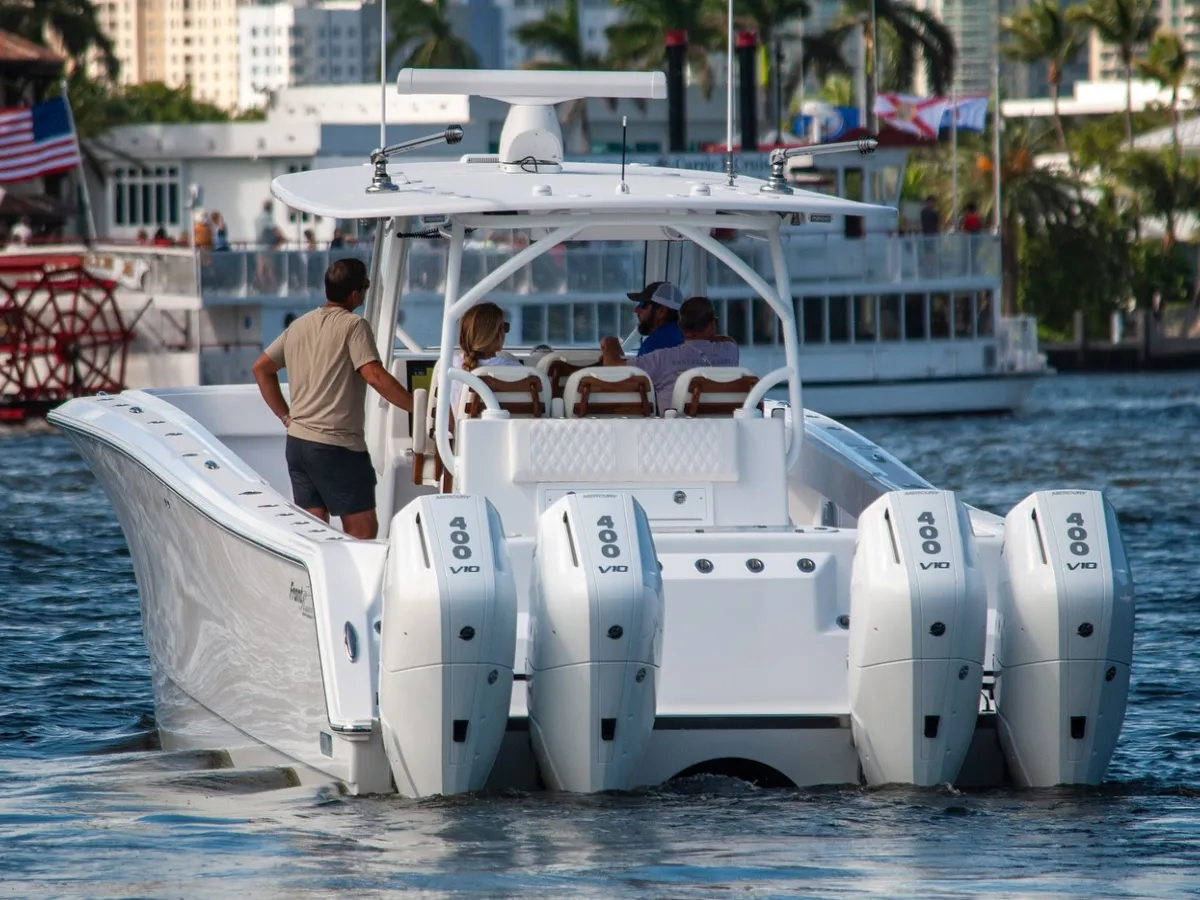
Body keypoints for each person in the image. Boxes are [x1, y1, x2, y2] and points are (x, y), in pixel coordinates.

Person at [251, 257, 414, 540]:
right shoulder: (354, 326)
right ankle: (360, 586)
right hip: (337, 448)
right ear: (355, 294)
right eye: (365, 286)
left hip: (298, 444)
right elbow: (374, 375)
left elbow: (261, 368)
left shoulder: (299, 325)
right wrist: (418, 408)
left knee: (316, 534)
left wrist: (285, 416)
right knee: (362, 531)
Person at [600, 295, 738, 414]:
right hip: (719, 432)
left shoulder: (663, 358)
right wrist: (708, 331)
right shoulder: (730, 351)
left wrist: (610, 342)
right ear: (713, 324)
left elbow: (613, 370)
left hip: (674, 433)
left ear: (680, 325)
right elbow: (728, 339)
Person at [451, 301, 521, 411]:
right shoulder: (519, 371)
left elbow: (447, 421)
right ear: (497, 333)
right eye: (505, 327)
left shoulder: (450, 367)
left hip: (464, 428)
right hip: (506, 428)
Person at [627, 281, 685, 356]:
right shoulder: (687, 337)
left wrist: (611, 345)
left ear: (661, 311)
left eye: (642, 304)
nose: (636, 309)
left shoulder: (654, 345)